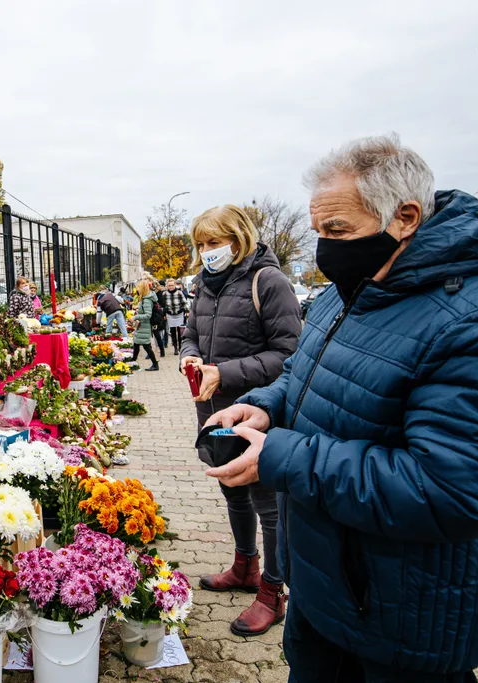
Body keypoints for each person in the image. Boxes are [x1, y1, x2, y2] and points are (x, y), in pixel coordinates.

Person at [207, 135, 478, 682]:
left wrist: (283, 456)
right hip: (325, 590)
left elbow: (455, 491)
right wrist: (266, 407)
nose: (324, 247)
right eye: (318, 231)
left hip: (402, 617)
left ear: (405, 217)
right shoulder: (350, 290)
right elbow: (304, 374)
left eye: (338, 231)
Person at [179, 205, 301, 637]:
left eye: (214, 242)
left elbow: (289, 354)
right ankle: (245, 565)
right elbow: (190, 331)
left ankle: (273, 591)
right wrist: (188, 355)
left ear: (239, 238)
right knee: (232, 490)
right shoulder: (204, 285)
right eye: (200, 243)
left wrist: (224, 373)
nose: (206, 251)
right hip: (212, 408)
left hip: (257, 413)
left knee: (269, 506)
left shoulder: (268, 282)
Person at [131, 279, 159, 371]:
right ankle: (133, 362)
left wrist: (135, 317)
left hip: (145, 326)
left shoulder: (146, 300)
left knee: (146, 346)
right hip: (142, 325)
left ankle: (155, 364)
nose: (137, 290)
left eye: (138, 288)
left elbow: (148, 315)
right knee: (136, 343)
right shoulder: (145, 298)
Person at [159, 278, 189, 354]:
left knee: (179, 331)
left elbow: (184, 302)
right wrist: (164, 314)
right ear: (167, 286)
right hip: (170, 314)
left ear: (175, 285)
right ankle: (175, 348)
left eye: (172, 285)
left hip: (179, 313)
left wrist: (186, 311)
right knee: (172, 332)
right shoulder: (164, 293)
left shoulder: (179, 292)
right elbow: (163, 305)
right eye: (169, 285)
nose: (171, 287)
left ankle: (180, 347)